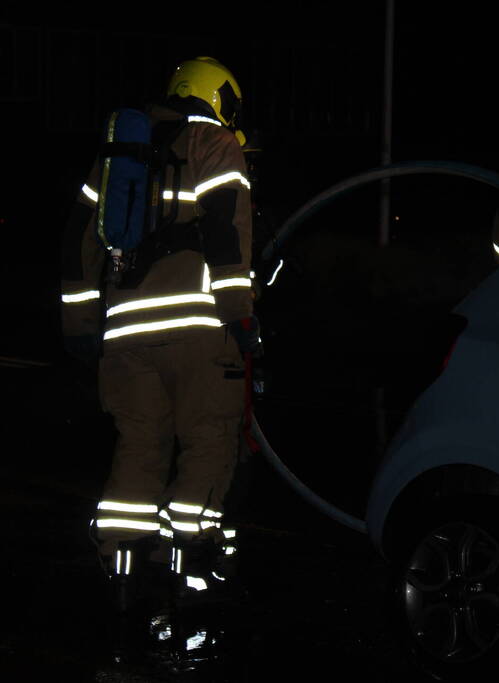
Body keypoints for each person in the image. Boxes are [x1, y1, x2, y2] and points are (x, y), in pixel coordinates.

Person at [60, 56, 258, 607]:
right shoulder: (217, 145)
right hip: (200, 330)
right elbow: (226, 234)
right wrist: (240, 315)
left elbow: (79, 242)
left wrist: (79, 325)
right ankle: (190, 570)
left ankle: (121, 573)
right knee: (208, 444)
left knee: (140, 446)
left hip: (124, 337)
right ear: (218, 98)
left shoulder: (121, 153)